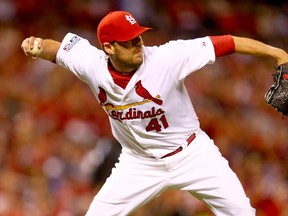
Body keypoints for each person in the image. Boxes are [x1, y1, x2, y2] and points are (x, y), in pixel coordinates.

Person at [21, 10, 288, 216]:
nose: (138, 43)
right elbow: (58, 51)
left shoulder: (167, 58)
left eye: (138, 35)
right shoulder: (92, 65)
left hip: (192, 154)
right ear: (109, 47)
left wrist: (277, 53)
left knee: (242, 213)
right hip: (139, 163)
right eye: (128, 41)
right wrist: (37, 45)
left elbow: (226, 42)